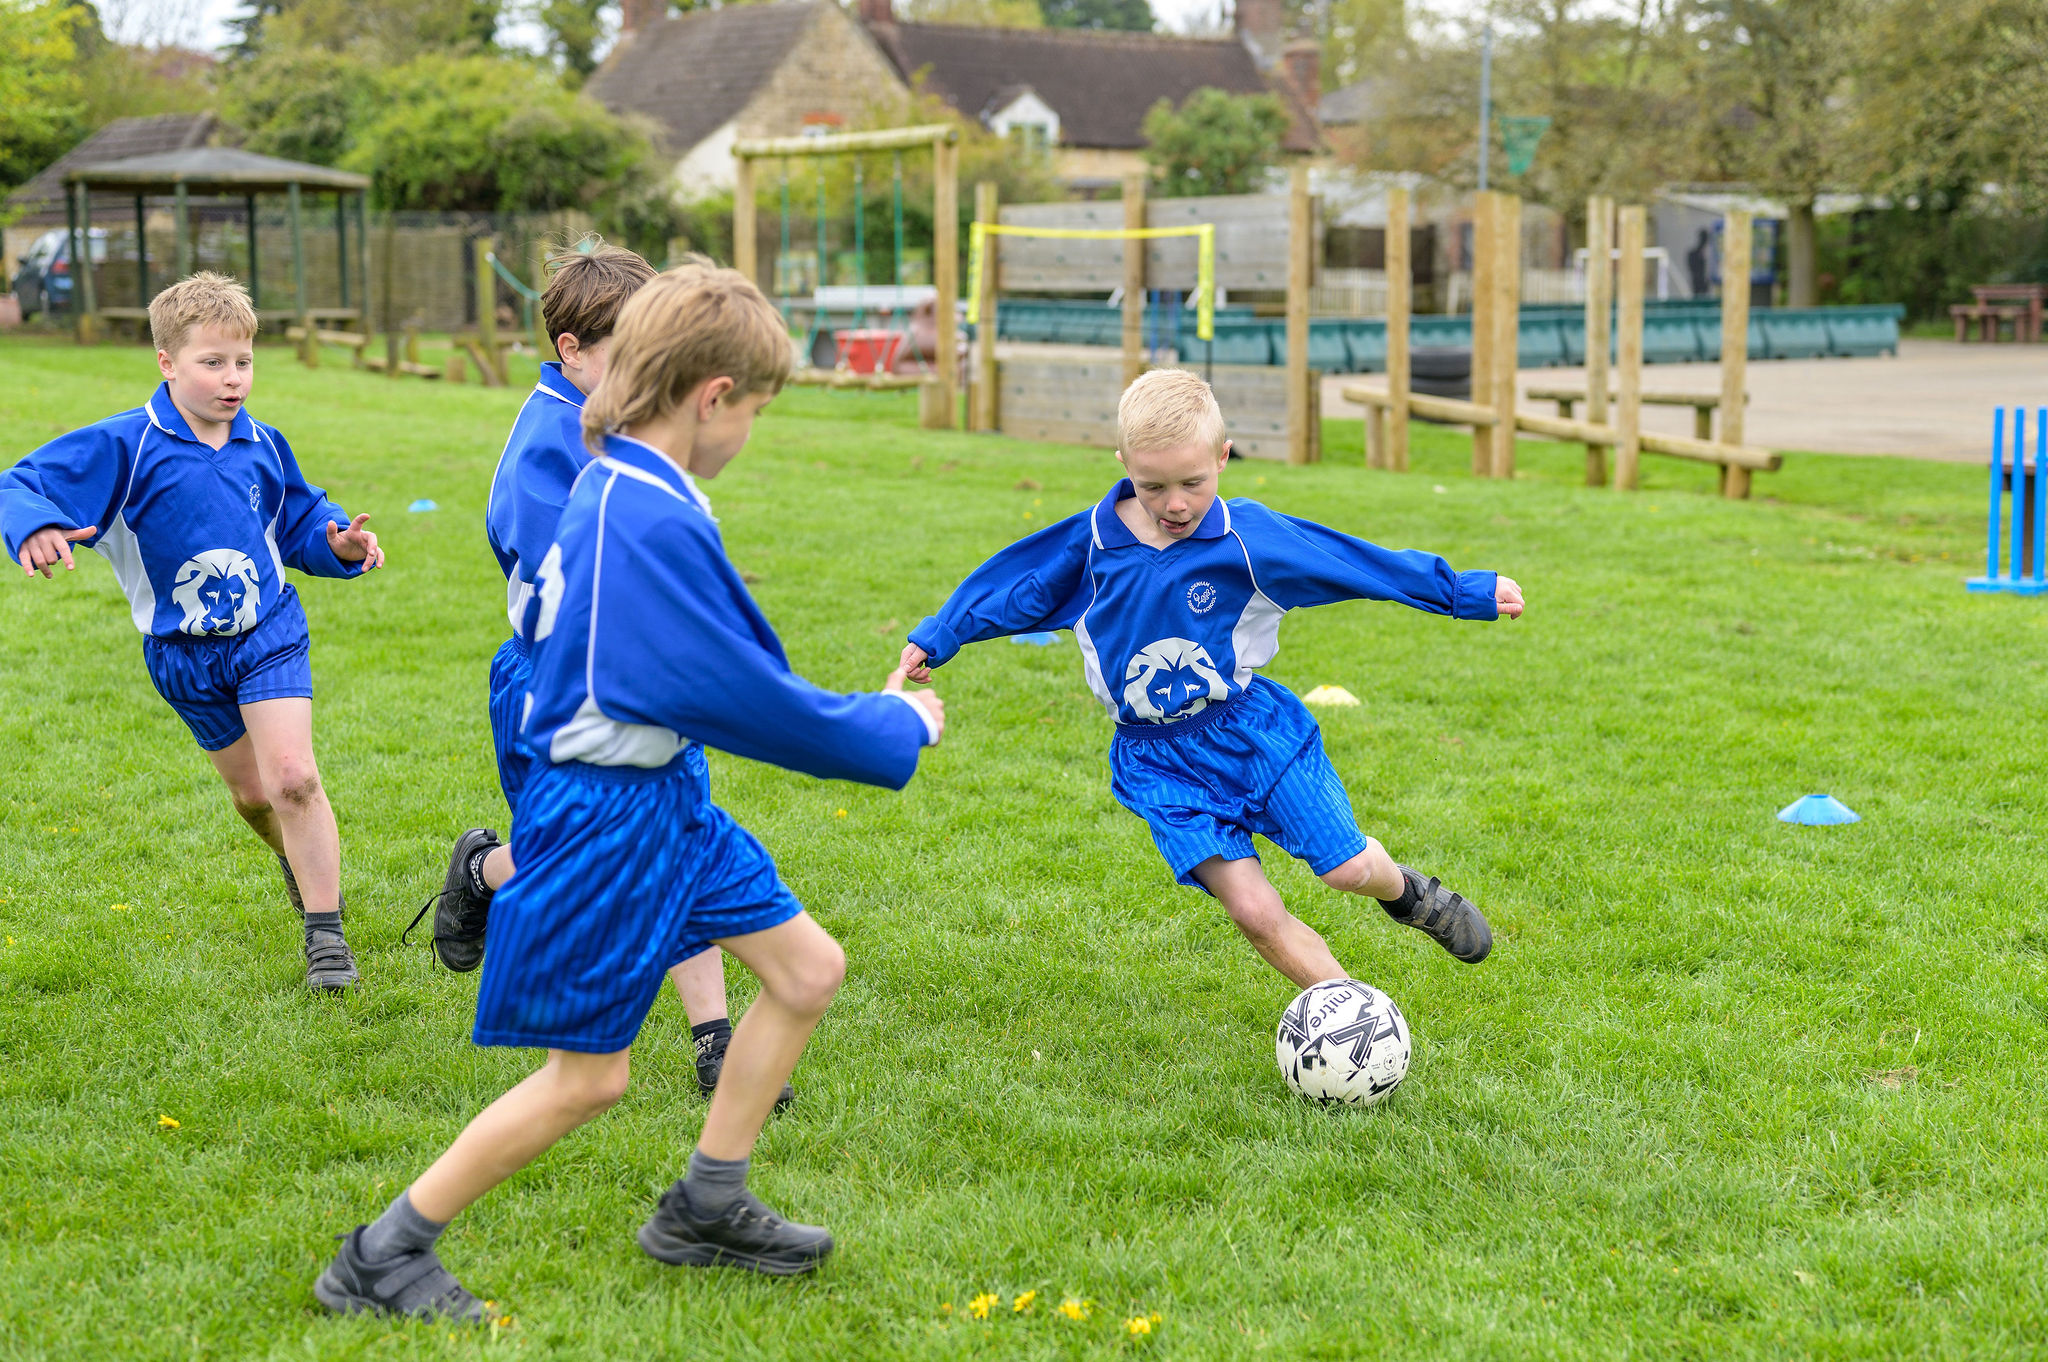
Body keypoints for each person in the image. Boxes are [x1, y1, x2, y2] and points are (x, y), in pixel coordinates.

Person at [315, 263, 944, 1321]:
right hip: (607, 812)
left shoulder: (625, 483)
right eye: (753, 408)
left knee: (804, 970)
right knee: (588, 1079)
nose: (751, 429)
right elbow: (740, 694)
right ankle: (381, 1255)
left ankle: (705, 1203)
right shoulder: (642, 519)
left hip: (662, 798)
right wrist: (892, 726)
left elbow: (718, 668)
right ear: (711, 397)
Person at [900, 368, 1522, 993]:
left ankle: (1409, 893)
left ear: (1223, 458)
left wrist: (1461, 592)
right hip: (1156, 764)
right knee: (1254, 913)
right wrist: (939, 635)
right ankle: (1356, 1023)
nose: (1175, 504)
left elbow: (1353, 563)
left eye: (1193, 483)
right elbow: (1013, 586)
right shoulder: (1090, 546)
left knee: (1346, 870)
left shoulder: (1247, 537)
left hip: (1253, 733)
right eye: (1153, 486)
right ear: (1122, 464)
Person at [411, 240, 765, 1101]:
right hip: (555, 688)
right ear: (571, 351)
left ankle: (713, 1038)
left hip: (645, 684)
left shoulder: (630, 429)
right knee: (576, 866)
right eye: (628, 353)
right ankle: (484, 871)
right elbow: (561, 593)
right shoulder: (543, 450)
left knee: (677, 837)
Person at [0, 272, 382, 991]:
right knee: (254, 798)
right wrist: (39, 525)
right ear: (167, 363)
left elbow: (300, 521)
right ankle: (293, 859)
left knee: (295, 778)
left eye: (243, 362)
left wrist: (337, 546)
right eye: (212, 363)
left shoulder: (264, 443)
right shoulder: (127, 445)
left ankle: (326, 940)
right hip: (182, 656)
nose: (232, 379)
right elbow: (20, 482)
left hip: (268, 632)